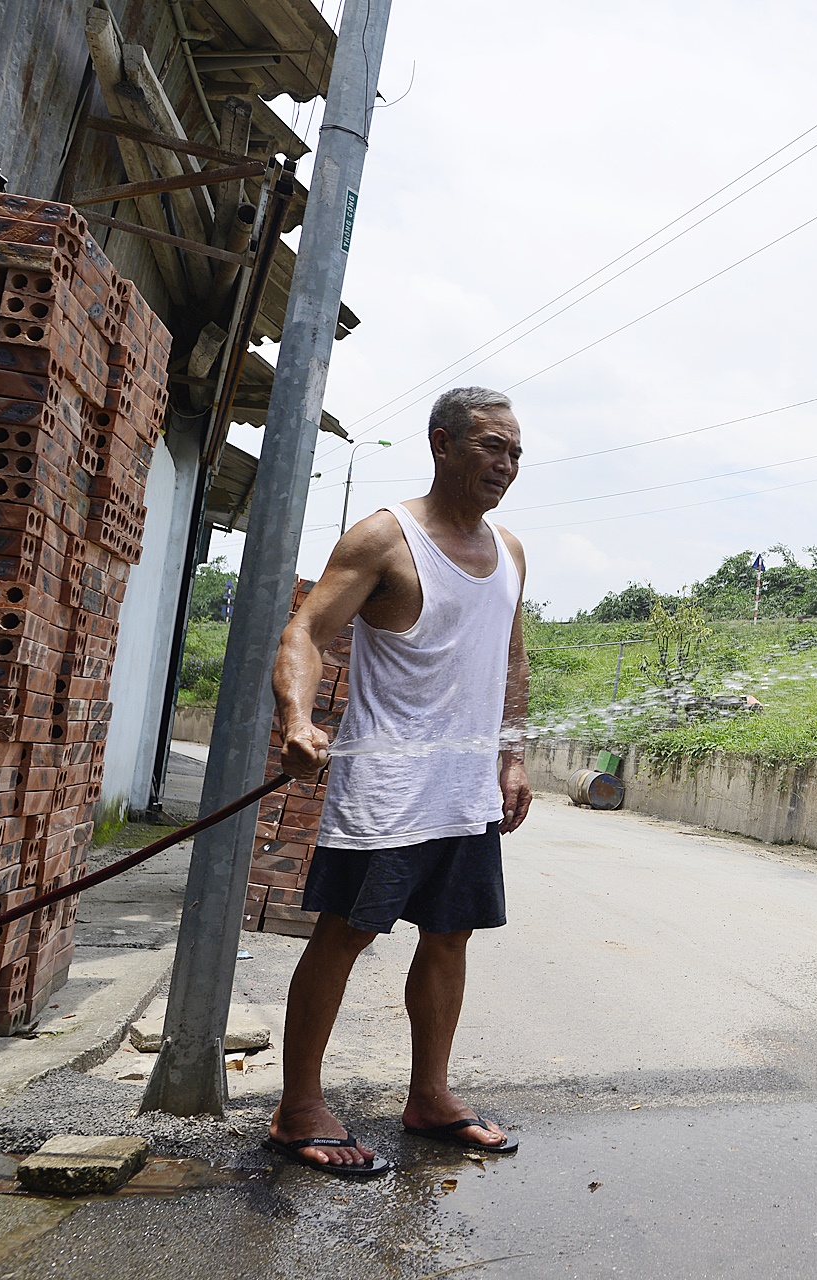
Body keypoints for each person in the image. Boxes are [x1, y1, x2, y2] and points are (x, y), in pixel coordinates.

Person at [263, 387, 534, 1177]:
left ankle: (431, 1097)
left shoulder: (511, 550)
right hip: (385, 785)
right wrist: (298, 719)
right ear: (443, 443)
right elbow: (306, 630)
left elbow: (510, 659)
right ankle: (298, 1107)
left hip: (465, 791)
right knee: (346, 935)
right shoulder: (387, 537)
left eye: (516, 452)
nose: (506, 465)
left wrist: (510, 756)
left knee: (450, 937)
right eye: (492, 446)